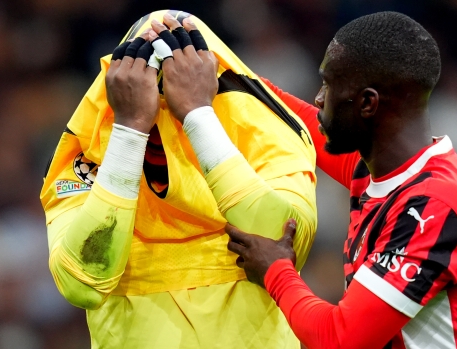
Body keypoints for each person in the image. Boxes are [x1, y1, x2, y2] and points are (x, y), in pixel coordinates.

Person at [224, 12, 457, 349]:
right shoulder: (385, 169)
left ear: (368, 103)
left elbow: (339, 339)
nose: (318, 98)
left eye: (328, 85)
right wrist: (219, 68)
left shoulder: (435, 205)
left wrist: (275, 270)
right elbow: (296, 124)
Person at [40, 11, 317, 348]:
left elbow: (284, 244)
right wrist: (129, 130)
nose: (162, 103)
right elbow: (81, 282)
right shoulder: (85, 155)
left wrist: (197, 115)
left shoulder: (267, 133)